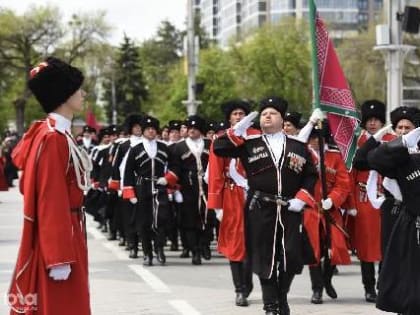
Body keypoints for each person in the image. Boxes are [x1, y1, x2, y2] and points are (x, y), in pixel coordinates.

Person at [213, 97, 318, 315]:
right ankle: (270, 306)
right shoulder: (250, 145)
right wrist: (239, 128)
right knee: (265, 257)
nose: (267, 116)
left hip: (290, 208)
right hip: (261, 207)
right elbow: (219, 148)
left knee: (290, 256)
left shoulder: (297, 146)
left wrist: (302, 197)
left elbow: (311, 175)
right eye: (263, 114)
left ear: (282, 119)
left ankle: (281, 296)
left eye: (273, 113)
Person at [8, 57, 91, 315]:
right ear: (63, 95)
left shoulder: (56, 134)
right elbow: (50, 199)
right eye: (78, 89)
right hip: (60, 237)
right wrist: (59, 257)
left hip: (69, 230)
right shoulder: (53, 138)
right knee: (63, 306)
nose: (83, 93)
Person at [367, 124, 420, 315]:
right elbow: (371, 159)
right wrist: (405, 141)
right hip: (413, 226)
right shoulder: (410, 161)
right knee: (409, 284)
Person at [207, 99, 254, 307]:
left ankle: (249, 281)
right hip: (231, 196)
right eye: (235, 113)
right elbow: (216, 173)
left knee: (254, 242)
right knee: (235, 244)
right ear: (229, 118)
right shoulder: (221, 139)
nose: (238, 116)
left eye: (241, 113)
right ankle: (240, 289)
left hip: (255, 194)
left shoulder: (255, 136)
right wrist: (217, 205)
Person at [350, 100, 393, 303]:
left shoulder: (391, 139)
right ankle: (368, 286)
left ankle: (383, 283)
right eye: (369, 120)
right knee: (365, 245)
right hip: (363, 199)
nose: (373, 123)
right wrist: (350, 205)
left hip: (386, 196)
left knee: (387, 243)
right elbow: (350, 173)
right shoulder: (356, 142)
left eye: (376, 120)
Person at [304, 124, 351, 304]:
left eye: (318, 137)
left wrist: (333, 199)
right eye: (312, 137)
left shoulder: (334, 156)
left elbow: (343, 184)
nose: (315, 141)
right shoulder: (304, 156)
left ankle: (327, 279)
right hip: (310, 209)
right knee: (314, 252)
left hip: (330, 209)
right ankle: (317, 289)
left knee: (336, 247)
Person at [161, 115, 213, 265]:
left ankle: (205, 245)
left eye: (195, 129)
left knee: (208, 219)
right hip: (187, 189)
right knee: (189, 221)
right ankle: (194, 250)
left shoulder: (209, 144)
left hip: (207, 188)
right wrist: (174, 189)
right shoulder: (178, 147)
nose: (192, 131)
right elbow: (174, 169)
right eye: (190, 129)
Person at [122, 115, 170, 266]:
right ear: (142, 131)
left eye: (153, 129)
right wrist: (130, 193)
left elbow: (174, 166)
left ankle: (160, 249)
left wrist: (168, 178)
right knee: (143, 223)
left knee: (161, 220)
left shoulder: (163, 147)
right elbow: (128, 172)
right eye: (148, 129)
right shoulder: (135, 149)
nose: (151, 131)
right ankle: (147, 253)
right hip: (142, 188)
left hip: (160, 187)